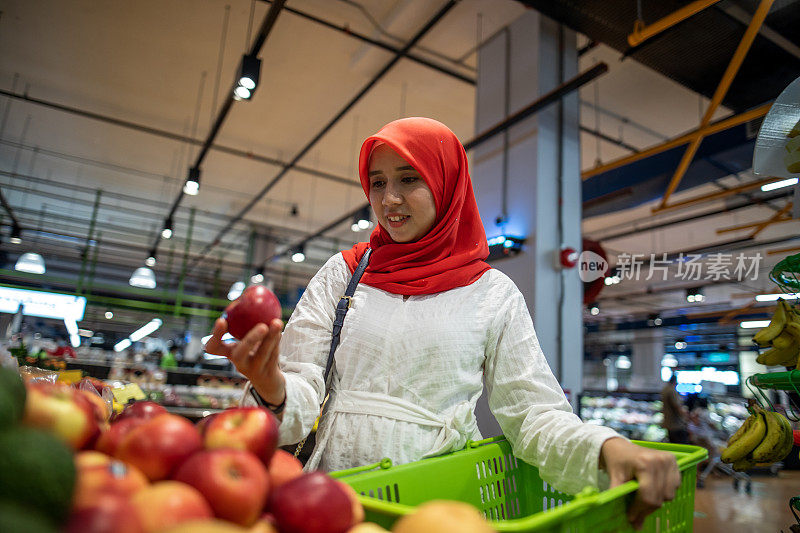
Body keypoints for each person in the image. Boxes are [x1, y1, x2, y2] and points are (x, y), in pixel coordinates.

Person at [206, 117, 680, 529]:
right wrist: (272, 384)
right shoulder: (345, 273)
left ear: (447, 181)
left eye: (409, 178)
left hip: (440, 504)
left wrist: (607, 447)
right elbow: (303, 387)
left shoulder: (492, 294)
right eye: (376, 183)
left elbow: (534, 414)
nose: (389, 199)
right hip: (334, 497)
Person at [661, 374, 689, 444]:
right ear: (675, 381)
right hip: (676, 424)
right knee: (680, 445)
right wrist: (686, 417)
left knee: (672, 443)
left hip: (668, 422)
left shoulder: (665, 389)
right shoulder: (672, 391)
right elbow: (677, 406)